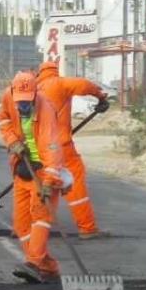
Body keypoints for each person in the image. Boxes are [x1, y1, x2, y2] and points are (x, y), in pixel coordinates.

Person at [0, 70, 66, 283]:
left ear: (36, 93)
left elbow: (52, 149)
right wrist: (13, 141)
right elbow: (2, 119)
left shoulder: (46, 110)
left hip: (44, 171)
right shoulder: (8, 96)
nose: (23, 106)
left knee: (40, 216)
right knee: (21, 224)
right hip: (23, 168)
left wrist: (49, 183)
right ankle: (47, 267)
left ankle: (33, 263)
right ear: (12, 92)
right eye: (20, 102)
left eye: (27, 102)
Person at [34, 59, 111, 240]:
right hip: (60, 146)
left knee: (40, 185)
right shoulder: (58, 83)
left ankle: (30, 228)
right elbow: (83, 85)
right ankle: (87, 227)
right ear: (55, 71)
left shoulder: (35, 89)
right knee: (74, 182)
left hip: (38, 147)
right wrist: (100, 96)